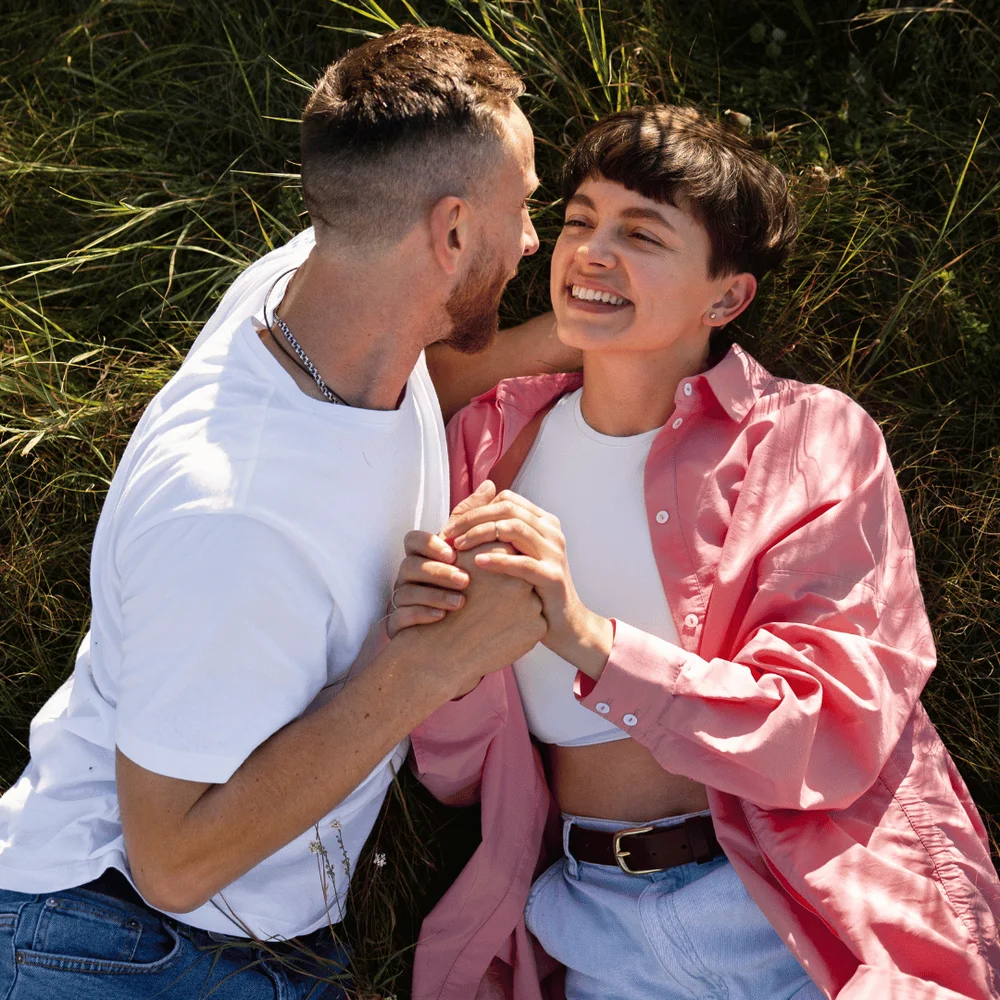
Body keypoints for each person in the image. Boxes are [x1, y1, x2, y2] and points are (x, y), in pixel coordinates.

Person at [0, 25, 577, 1000]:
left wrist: (583, 333)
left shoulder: (324, 282)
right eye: (521, 210)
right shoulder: (235, 520)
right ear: (447, 234)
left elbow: (428, 354)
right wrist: (426, 664)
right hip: (122, 943)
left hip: (237, 937)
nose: (532, 238)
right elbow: (172, 861)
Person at [393, 105, 1000, 999]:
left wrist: (587, 636)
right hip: (594, 928)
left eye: (641, 233)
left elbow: (828, 728)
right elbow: (459, 770)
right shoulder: (485, 446)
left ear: (728, 297)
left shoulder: (811, 439)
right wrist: (433, 653)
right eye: (577, 222)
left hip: (803, 908)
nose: (592, 252)